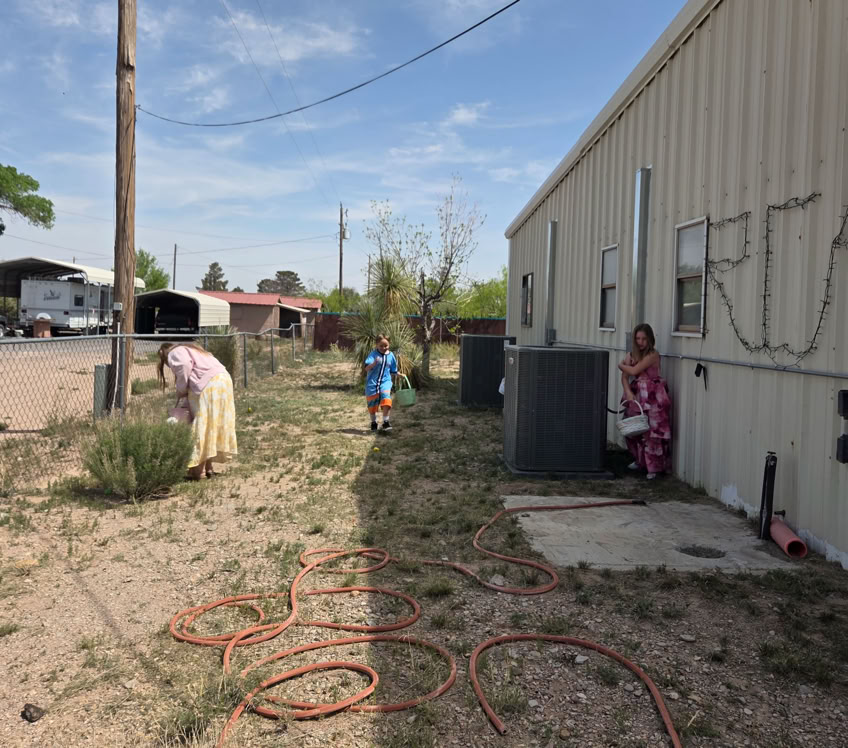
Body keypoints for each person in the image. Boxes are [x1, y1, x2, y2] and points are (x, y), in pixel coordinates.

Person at [157, 342, 237, 480]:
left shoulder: (175, 352)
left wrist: (181, 389)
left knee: (202, 425)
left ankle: (198, 471)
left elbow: (184, 365)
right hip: (224, 381)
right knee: (212, 425)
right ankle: (208, 468)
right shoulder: (194, 350)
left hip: (208, 385)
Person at [618, 323, 672, 479]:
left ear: (650, 339)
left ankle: (654, 468)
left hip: (653, 395)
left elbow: (634, 370)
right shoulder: (631, 355)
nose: (640, 342)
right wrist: (628, 392)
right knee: (632, 428)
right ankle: (640, 460)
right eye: (638, 338)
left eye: (644, 339)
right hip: (637, 395)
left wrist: (621, 364)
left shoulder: (653, 354)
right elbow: (625, 377)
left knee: (653, 432)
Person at [363, 334, 398, 432]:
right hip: (372, 383)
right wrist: (374, 363)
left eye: (386, 345)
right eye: (381, 346)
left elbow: (393, 370)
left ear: (389, 344)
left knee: (386, 399)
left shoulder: (391, 355)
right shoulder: (373, 354)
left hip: (385, 382)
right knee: (372, 405)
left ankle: (386, 422)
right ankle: (373, 423)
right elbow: (366, 368)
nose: (383, 348)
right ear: (376, 345)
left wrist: (399, 374)